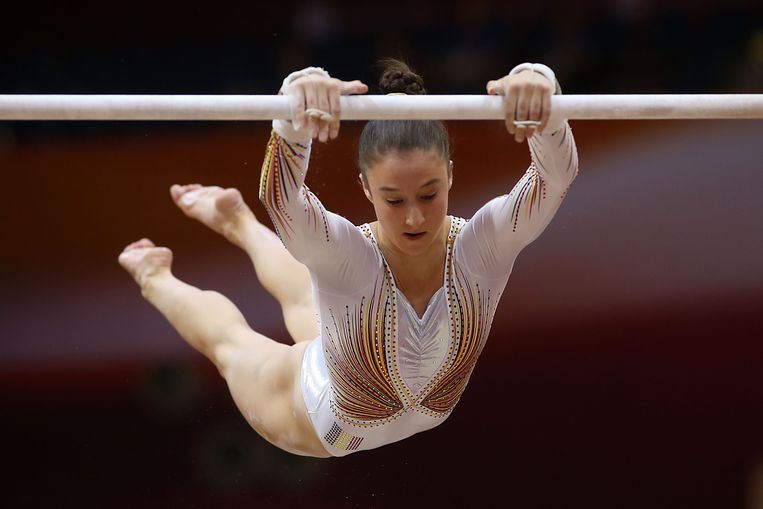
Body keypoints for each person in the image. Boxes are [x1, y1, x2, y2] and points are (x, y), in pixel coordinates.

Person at [119, 59, 579, 458]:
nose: (415, 216)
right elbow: (283, 201)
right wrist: (294, 108)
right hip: (318, 417)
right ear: (365, 189)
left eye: (429, 193)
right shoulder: (352, 256)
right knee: (233, 346)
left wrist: (542, 90)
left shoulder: (483, 248)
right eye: (393, 200)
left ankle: (238, 222)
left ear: (450, 176)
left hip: (349, 342)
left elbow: (554, 178)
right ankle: (153, 274)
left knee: (311, 298)